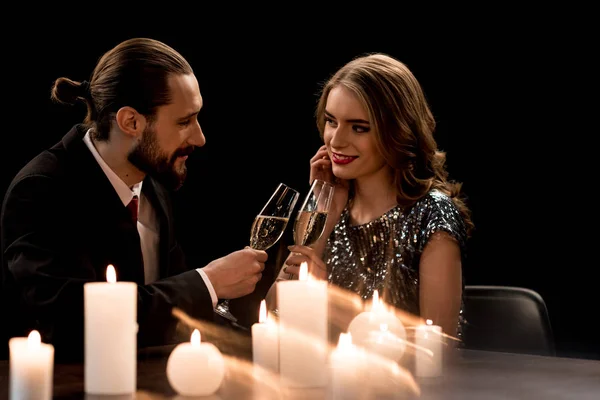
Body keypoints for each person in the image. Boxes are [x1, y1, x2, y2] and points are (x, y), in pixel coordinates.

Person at [0, 38, 266, 361]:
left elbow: (174, 312)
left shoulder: (154, 183)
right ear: (131, 122)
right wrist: (208, 282)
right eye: (184, 122)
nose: (200, 137)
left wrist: (266, 341)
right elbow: (73, 322)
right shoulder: (42, 190)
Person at [270, 53, 474, 340]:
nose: (336, 140)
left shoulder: (432, 214)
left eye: (359, 128)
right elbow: (271, 319)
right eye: (331, 121)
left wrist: (325, 300)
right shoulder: (328, 205)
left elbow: (438, 347)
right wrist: (323, 216)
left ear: (398, 131)